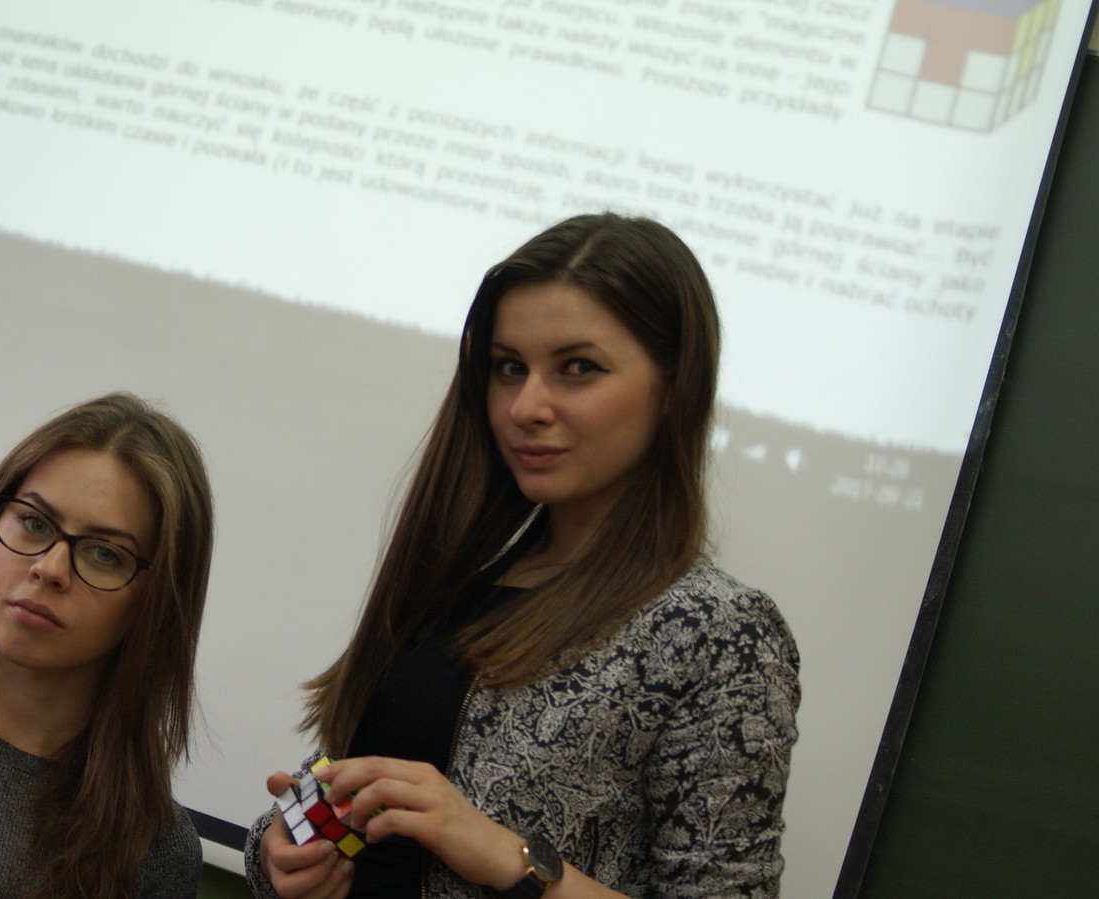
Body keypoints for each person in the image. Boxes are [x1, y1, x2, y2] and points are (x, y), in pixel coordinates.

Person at [245, 214, 801, 899]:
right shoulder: (457, 582)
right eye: (510, 368)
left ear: (673, 388)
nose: (525, 406)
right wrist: (283, 851)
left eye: (578, 368)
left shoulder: (717, 631)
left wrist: (510, 857)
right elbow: (345, 788)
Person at [0, 392, 213, 899]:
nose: (49, 569)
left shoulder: (151, 852)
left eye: (104, 554)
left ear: (156, 602)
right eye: (34, 523)